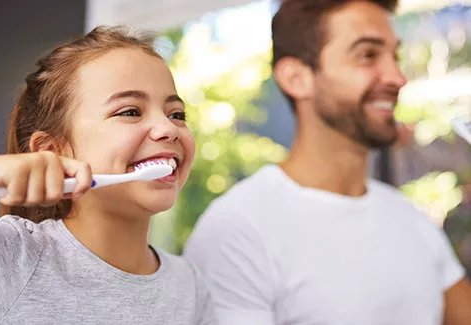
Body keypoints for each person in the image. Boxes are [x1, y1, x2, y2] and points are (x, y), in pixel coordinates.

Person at [183, 0, 471, 324]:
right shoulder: (237, 231)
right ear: (296, 78)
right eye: (368, 55)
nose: (397, 77)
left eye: (396, 56)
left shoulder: (408, 217)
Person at [0, 25, 216, 325]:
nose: (168, 129)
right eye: (130, 112)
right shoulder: (6, 255)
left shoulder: (190, 286)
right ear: (52, 150)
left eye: (176, 114)